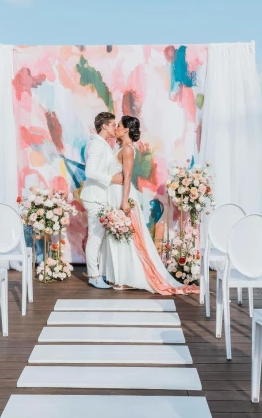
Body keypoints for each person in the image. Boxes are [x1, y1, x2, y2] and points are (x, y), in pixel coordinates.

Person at [103, 116, 199, 295]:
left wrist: (124, 200)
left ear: (126, 130)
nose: (116, 128)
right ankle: (120, 275)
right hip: (114, 193)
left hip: (122, 194)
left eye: (119, 125)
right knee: (120, 234)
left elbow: (128, 176)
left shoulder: (128, 150)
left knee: (127, 236)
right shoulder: (120, 148)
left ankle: (129, 277)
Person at [80, 112, 124, 289]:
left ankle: (99, 272)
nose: (115, 128)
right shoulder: (96, 146)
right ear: (104, 126)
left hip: (99, 197)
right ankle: (94, 275)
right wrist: (111, 179)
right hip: (94, 198)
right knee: (95, 237)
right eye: (113, 125)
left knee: (100, 237)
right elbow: (89, 172)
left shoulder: (101, 144)